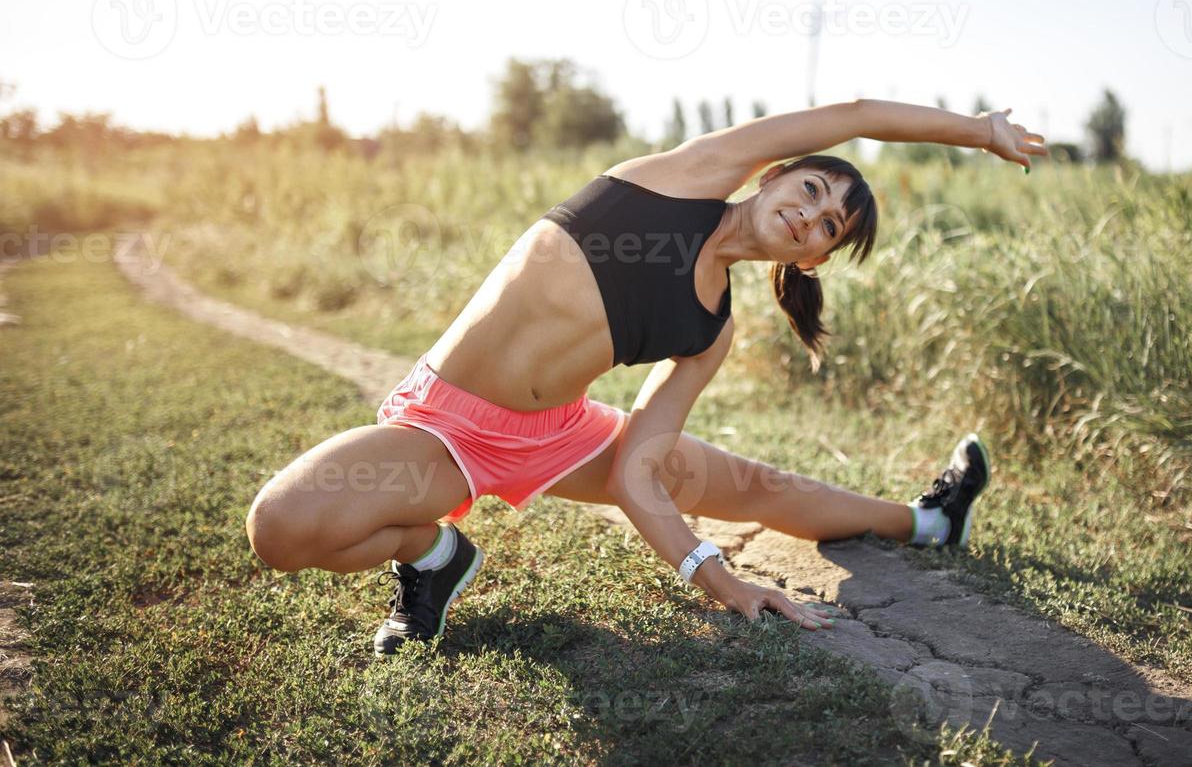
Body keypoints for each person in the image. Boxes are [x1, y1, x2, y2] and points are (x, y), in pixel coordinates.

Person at [244, 99, 1048, 656]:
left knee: (757, 487)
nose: (812, 212)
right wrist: (977, 132)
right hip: (447, 432)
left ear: (812, 257)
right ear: (769, 177)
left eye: (829, 224)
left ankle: (931, 523)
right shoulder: (688, 174)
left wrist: (718, 577)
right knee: (279, 529)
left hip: (560, 436)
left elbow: (638, 472)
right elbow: (851, 115)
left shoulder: (711, 330)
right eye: (811, 188)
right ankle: (433, 558)